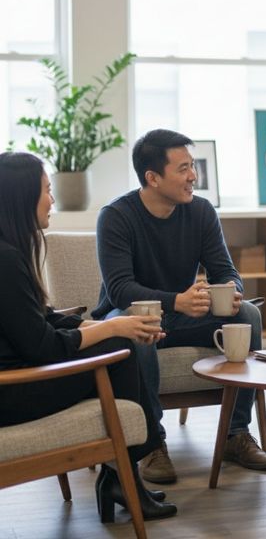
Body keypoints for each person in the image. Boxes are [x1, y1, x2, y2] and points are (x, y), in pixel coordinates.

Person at [0, 152, 177, 523]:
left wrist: (101, 327)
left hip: (14, 380)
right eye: (47, 190)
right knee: (121, 351)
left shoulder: (8, 253)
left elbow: (41, 320)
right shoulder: (6, 261)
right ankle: (125, 474)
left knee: (120, 341)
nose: (53, 200)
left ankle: (123, 475)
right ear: (21, 198)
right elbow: (42, 346)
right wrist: (112, 327)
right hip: (11, 393)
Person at [92, 129, 266, 484]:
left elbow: (226, 271)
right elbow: (119, 291)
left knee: (247, 315)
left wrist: (231, 291)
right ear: (153, 177)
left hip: (185, 316)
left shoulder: (201, 212)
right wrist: (176, 301)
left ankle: (235, 434)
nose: (194, 176)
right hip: (128, 318)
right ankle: (151, 445)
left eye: (193, 166)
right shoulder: (116, 216)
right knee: (138, 330)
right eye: (183, 169)